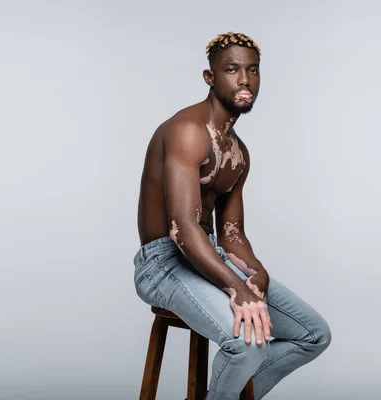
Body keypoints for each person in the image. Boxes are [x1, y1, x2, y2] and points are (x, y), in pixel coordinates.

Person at [133, 32, 331, 400]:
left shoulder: (239, 153)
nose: (245, 80)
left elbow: (232, 233)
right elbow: (183, 231)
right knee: (249, 345)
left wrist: (256, 273)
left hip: (208, 256)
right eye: (232, 70)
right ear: (210, 78)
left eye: (253, 71)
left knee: (313, 334)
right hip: (164, 263)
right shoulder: (187, 132)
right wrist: (237, 289)